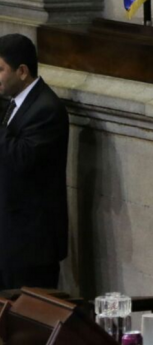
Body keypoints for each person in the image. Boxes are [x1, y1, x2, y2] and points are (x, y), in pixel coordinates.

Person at [0, 34, 69, 291]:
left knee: (28, 325)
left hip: (30, 247)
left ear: (22, 71)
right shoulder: (16, 103)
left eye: (0, 69)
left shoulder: (46, 109)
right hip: (10, 239)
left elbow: (22, 158)